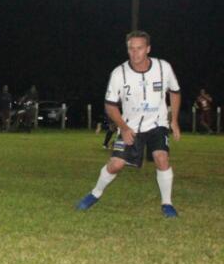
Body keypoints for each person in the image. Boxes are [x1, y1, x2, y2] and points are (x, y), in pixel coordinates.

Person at [77, 30, 181, 218]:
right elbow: (110, 106)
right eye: (131, 49)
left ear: (148, 49)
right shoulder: (119, 73)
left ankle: (167, 203)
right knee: (115, 164)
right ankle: (95, 193)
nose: (135, 53)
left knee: (161, 159)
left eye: (139, 48)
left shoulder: (163, 67)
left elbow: (175, 91)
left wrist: (174, 120)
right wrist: (123, 128)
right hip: (130, 126)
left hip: (157, 124)